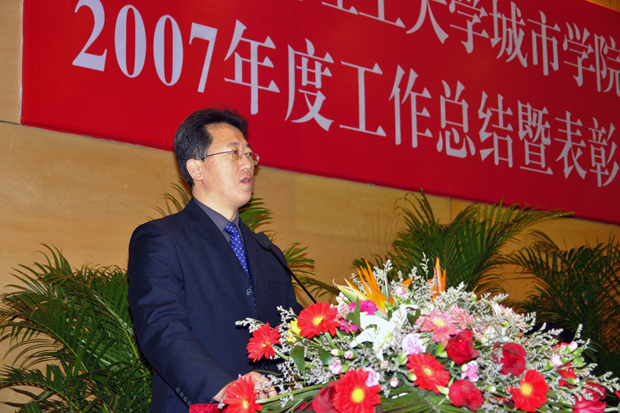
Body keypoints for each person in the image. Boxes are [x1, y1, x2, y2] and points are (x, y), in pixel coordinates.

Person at [127, 107, 303, 413]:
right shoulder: (160, 239)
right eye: (234, 153)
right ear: (196, 168)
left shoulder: (267, 252)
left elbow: (295, 329)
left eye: (249, 154)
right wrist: (224, 387)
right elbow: (161, 328)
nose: (247, 163)